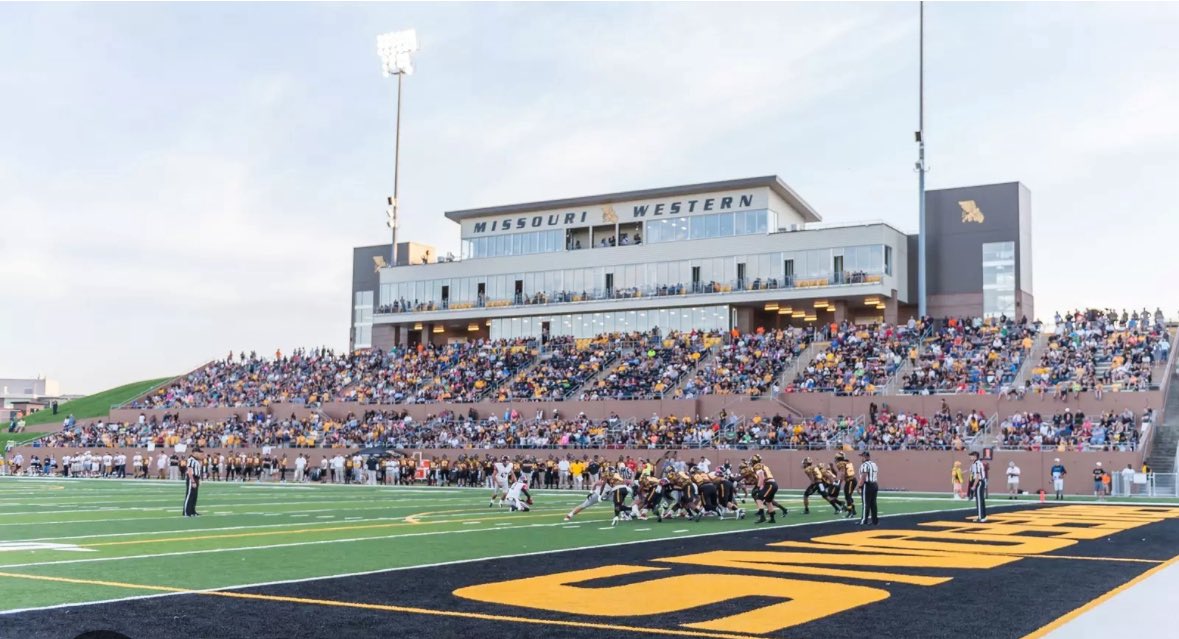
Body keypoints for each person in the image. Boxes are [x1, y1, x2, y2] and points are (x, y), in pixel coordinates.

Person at [858, 451, 879, 526]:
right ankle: (874, 521)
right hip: (875, 484)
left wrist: (859, 486)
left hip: (867, 485)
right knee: (873, 504)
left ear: (866, 457)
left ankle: (864, 521)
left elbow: (864, 476)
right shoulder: (874, 464)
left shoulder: (865, 465)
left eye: (862, 457)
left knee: (866, 504)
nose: (861, 458)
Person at [183, 447, 204, 517]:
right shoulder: (191, 459)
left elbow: (198, 471)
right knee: (189, 495)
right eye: (198, 452)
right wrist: (192, 481)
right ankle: (186, 512)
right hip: (192, 478)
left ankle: (192, 511)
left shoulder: (197, 460)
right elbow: (189, 471)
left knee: (194, 496)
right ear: (194, 452)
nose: (199, 454)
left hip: (196, 478)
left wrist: (199, 479)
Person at [967, 451, 987, 523]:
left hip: (979, 482)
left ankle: (980, 517)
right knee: (980, 500)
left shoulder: (977, 463)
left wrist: (974, 486)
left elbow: (978, 475)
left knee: (979, 500)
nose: (970, 457)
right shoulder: (975, 464)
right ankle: (983, 516)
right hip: (980, 482)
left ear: (975, 456)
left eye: (971, 456)